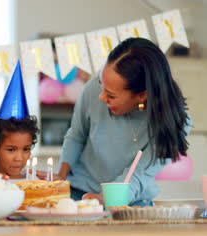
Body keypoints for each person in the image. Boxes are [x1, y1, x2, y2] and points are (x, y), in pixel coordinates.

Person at [56, 38, 191, 206]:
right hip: (79, 192)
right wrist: (60, 177)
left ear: (142, 95)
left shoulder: (175, 123)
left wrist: (105, 199)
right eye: (101, 84)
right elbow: (76, 135)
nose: (101, 96)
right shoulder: (92, 89)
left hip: (131, 201)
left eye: (111, 95)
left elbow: (139, 175)